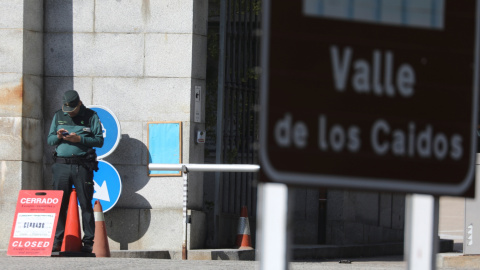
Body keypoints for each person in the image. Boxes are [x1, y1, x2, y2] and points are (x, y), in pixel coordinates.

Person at [47, 90, 104, 253]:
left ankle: (88, 242)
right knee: (60, 204)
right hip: (61, 165)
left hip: (82, 166)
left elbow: (99, 141)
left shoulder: (91, 116)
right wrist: (58, 136)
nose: (69, 113)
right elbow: (50, 140)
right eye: (67, 110)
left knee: (86, 203)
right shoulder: (58, 115)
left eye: (72, 110)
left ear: (79, 103)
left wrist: (79, 139)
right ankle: (57, 241)